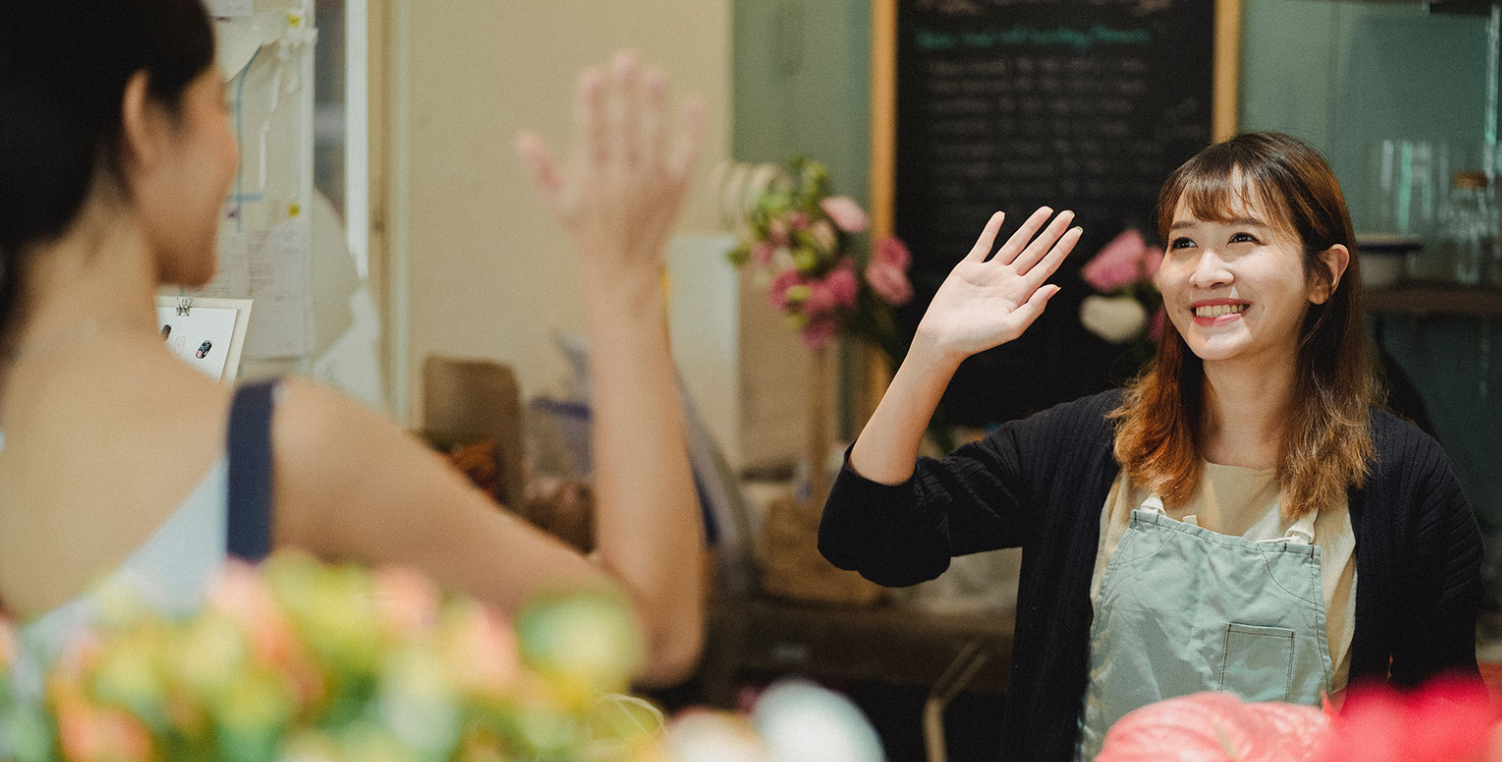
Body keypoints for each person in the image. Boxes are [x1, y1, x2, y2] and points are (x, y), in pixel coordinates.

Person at [0, 0, 705, 687]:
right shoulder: (278, 449)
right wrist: (623, 279)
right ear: (141, 126)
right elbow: (651, 632)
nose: (232, 150)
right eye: (219, 104)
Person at [819, 132, 1481, 761]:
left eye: (1242, 239)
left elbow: (1445, 723)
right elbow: (869, 535)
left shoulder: (1403, 480)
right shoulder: (1082, 448)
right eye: (1183, 243)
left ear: (1323, 275)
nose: (1205, 271)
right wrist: (932, 352)